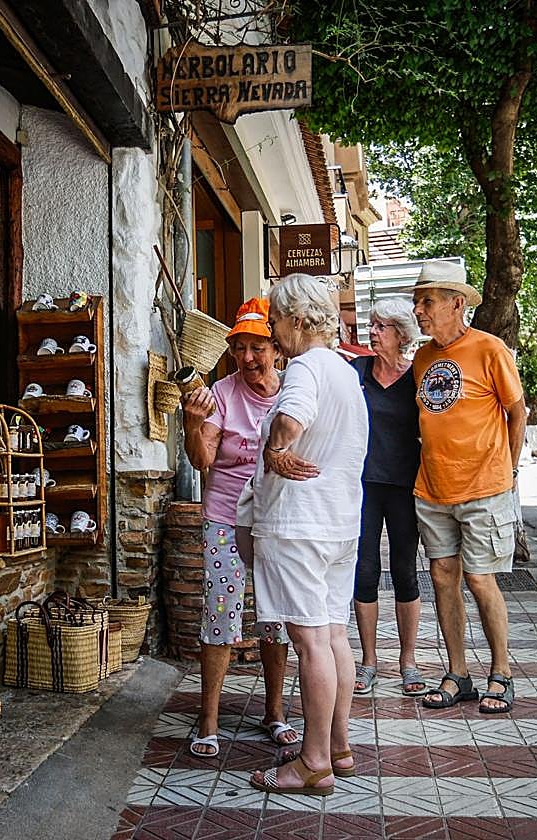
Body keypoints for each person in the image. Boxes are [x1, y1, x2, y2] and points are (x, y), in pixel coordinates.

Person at [246, 274, 368, 797]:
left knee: (311, 641)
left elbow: (292, 420)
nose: (273, 333)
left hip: (300, 525)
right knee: (334, 635)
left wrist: (275, 449)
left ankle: (313, 762)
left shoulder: (306, 368)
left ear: (298, 320)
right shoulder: (344, 372)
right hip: (338, 524)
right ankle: (338, 746)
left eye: (275, 321)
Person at [180, 297, 298, 759]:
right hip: (226, 518)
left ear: (277, 349)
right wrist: (193, 424)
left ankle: (274, 712)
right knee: (221, 612)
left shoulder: (293, 391)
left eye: (258, 347)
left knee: (274, 619)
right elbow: (202, 460)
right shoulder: (222, 394)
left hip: (274, 520)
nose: (248, 357)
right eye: (240, 348)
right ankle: (208, 718)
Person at [411, 261, 525, 714]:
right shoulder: (422, 358)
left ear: (457, 304)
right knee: (443, 579)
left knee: (480, 579)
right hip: (433, 489)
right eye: (417, 302)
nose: (419, 311)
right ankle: (459, 674)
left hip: (485, 487)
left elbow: (517, 413)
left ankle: (502, 673)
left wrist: (508, 472)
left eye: (428, 302)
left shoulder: (489, 349)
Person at [350, 297, 425, 697]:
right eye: (372, 325)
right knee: (363, 571)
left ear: (401, 334)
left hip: (403, 486)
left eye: (381, 327)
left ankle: (408, 662)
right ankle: (368, 662)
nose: (373, 332)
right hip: (361, 485)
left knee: (404, 572)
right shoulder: (356, 371)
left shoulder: (417, 378)